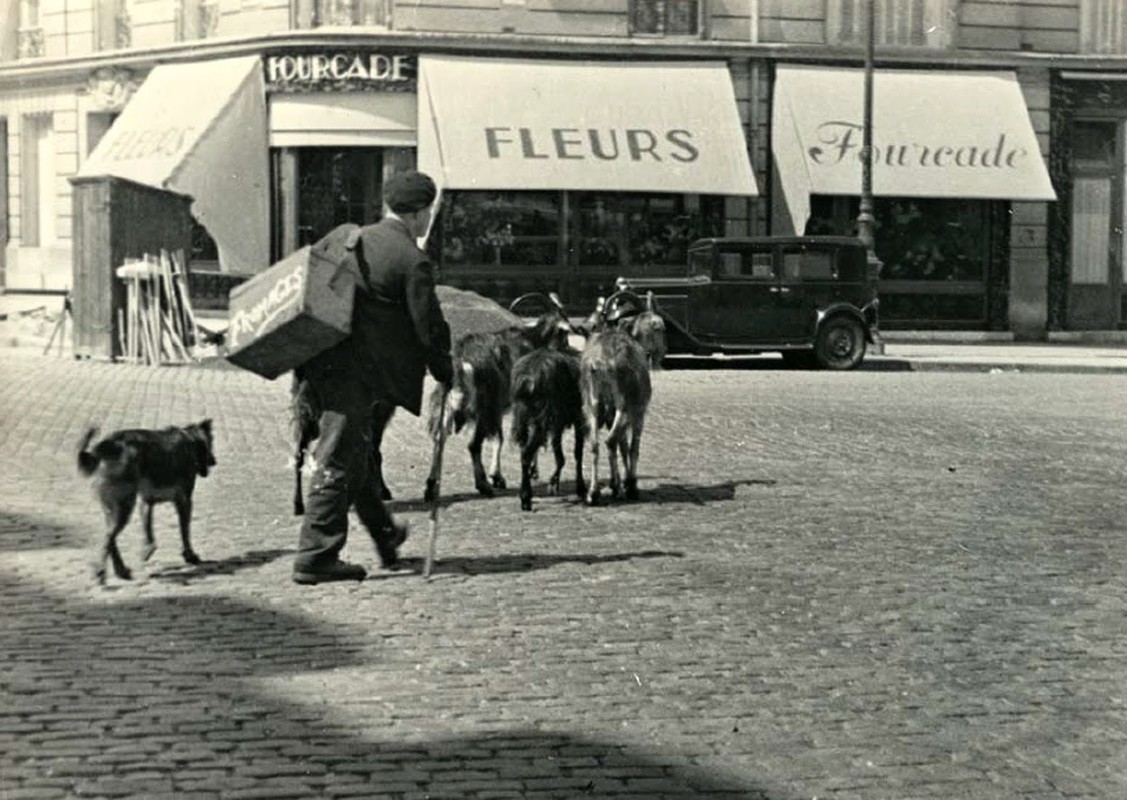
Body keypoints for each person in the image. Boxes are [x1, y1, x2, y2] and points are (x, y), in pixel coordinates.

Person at [293, 171, 454, 585]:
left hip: (321, 362)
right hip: (360, 375)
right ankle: (315, 556)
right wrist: (444, 371)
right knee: (339, 455)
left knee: (357, 452)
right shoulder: (411, 259)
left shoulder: (353, 237)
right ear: (421, 214)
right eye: (428, 213)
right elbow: (428, 327)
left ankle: (385, 537)